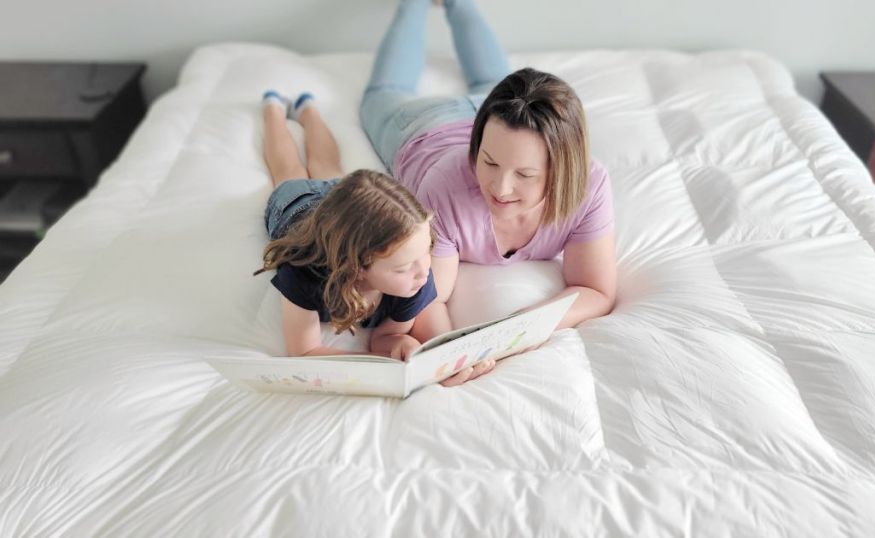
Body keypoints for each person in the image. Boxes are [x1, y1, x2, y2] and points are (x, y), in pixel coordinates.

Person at [359, 0, 617, 385]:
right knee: (383, 91)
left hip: (491, 114)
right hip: (421, 125)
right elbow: (430, 294)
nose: (499, 187)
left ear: (563, 169)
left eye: (525, 175)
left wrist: (521, 329)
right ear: (477, 150)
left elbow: (596, 289)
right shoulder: (443, 188)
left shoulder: (590, 184)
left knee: (494, 85)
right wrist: (449, 353)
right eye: (489, 164)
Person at [255, 91, 439, 363]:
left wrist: (400, 342)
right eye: (403, 268)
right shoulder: (303, 274)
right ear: (356, 267)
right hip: (297, 206)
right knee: (288, 170)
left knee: (327, 165)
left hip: (349, 205)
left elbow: (387, 335)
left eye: (427, 251)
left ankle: (309, 112)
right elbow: (304, 351)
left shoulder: (416, 276)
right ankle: (273, 111)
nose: (423, 272)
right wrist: (378, 367)